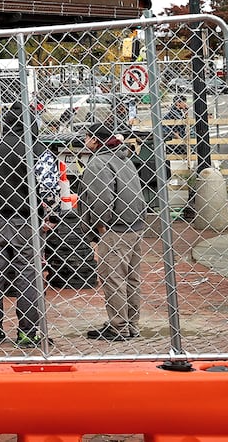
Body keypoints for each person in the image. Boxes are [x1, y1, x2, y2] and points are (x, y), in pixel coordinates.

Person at [0, 104, 59, 348]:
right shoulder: (39, 150)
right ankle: (27, 332)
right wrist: (52, 217)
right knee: (27, 275)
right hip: (27, 219)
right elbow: (49, 188)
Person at [77, 123, 146, 340]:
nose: (85, 141)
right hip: (134, 223)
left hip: (115, 227)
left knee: (113, 278)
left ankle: (119, 327)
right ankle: (131, 324)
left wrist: (99, 226)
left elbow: (101, 199)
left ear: (96, 140)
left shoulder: (98, 162)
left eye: (87, 137)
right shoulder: (123, 157)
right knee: (131, 278)